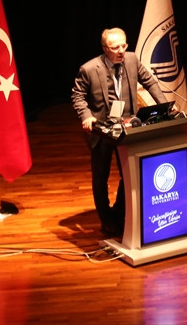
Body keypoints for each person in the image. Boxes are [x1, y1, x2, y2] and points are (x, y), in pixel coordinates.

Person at [71, 27, 170, 235]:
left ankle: (119, 211)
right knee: (101, 176)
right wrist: (86, 116)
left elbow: (149, 82)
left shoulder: (132, 60)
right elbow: (78, 96)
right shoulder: (89, 69)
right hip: (102, 130)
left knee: (130, 172)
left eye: (124, 45)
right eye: (115, 47)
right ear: (105, 48)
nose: (121, 51)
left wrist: (165, 107)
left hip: (127, 127)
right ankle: (106, 218)